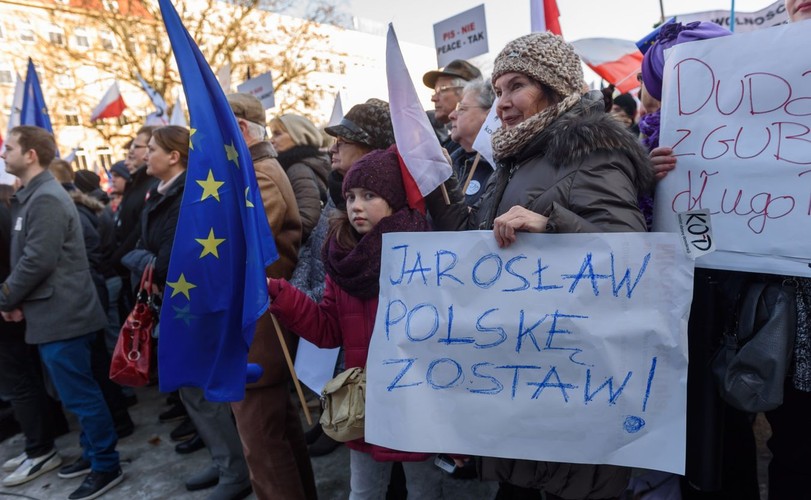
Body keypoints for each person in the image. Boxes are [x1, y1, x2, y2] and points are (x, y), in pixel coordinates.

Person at [426, 32, 652, 499]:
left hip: (571, 384)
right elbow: (486, 237)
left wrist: (550, 227)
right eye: (499, 88)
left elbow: (632, 258)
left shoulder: (591, 151)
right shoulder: (517, 154)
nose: (502, 102)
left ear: (553, 87)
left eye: (516, 87)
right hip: (524, 382)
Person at [269, 147, 445, 500]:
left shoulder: (426, 255)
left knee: (423, 490)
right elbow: (329, 329)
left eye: (369, 195)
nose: (355, 206)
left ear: (395, 200)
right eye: (350, 196)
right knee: (363, 491)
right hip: (364, 405)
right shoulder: (342, 257)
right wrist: (283, 296)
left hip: (415, 400)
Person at [0, 126, 123, 500]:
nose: (3, 154)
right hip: (52, 313)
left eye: (9, 148)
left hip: (64, 316)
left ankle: (106, 465)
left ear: (31, 154)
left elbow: (38, 260)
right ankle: (93, 454)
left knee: (81, 396)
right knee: (76, 394)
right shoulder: (32, 196)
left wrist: (6, 295)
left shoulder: (46, 198)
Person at [290, 98, 396, 457]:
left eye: (344, 140)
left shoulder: (385, 207)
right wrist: (297, 290)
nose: (333, 147)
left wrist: (314, 294)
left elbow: (357, 271)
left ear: (372, 147)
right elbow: (315, 252)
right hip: (335, 321)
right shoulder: (338, 193)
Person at [225, 93, 316, 500]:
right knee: (275, 432)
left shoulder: (260, 173)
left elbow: (235, 250)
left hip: (259, 329)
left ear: (241, 130)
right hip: (255, 326)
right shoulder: (252, 170)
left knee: (261, 444)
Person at [270, 114, 330, 243]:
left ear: (299, 135)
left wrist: (277, 241)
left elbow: (307, 220)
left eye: (277, 134)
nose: (271, 140)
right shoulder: (306, 163)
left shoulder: (297, 169)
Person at [446, 78, 496, 206]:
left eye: (461, 108)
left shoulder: (499, 168)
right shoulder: (449, 167)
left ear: (489, 116)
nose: (451, 115)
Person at [422, 59, 482, 154]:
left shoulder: (479, 145)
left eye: (442, 89)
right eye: (435, 91)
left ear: (467, 92)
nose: (433, 98)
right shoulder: (450, 144)